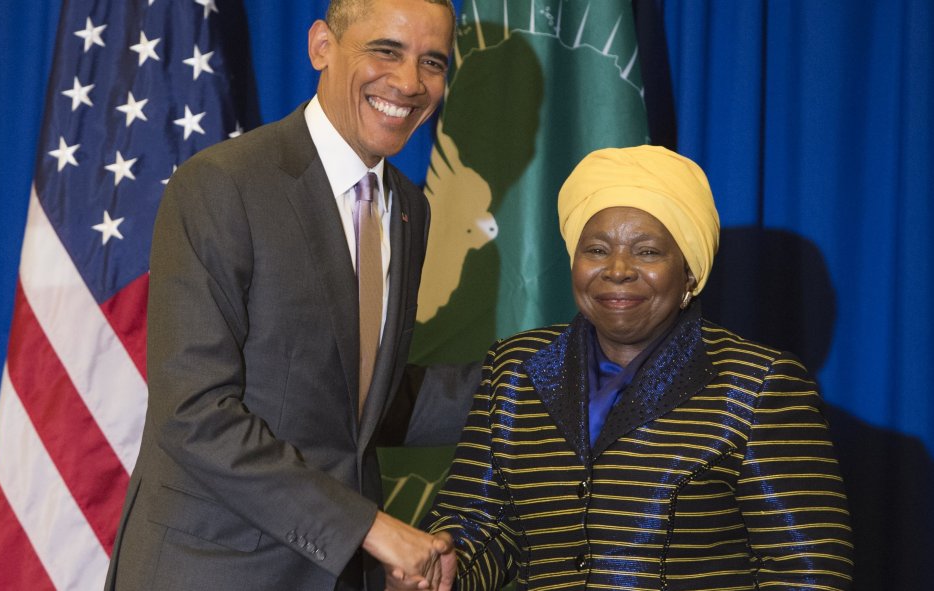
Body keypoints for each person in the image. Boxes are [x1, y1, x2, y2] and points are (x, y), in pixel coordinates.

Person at [104, 1, 474, 589]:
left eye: (432, 61)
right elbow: (194, 413)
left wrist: (550, 381)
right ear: (322, 45)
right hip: (210, 571)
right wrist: (368, 529)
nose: (409, 83)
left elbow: (350, 396)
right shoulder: (224, 184)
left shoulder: (409, 207)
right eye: (386, 50)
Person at [421, 146, 855, 590]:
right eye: (596, 249)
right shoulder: (513, 370)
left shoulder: (758, 385)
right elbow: (481, 524)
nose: (618, 270)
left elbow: (808, 572)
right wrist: (445, 567)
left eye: (647, 252)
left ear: (689, 272)